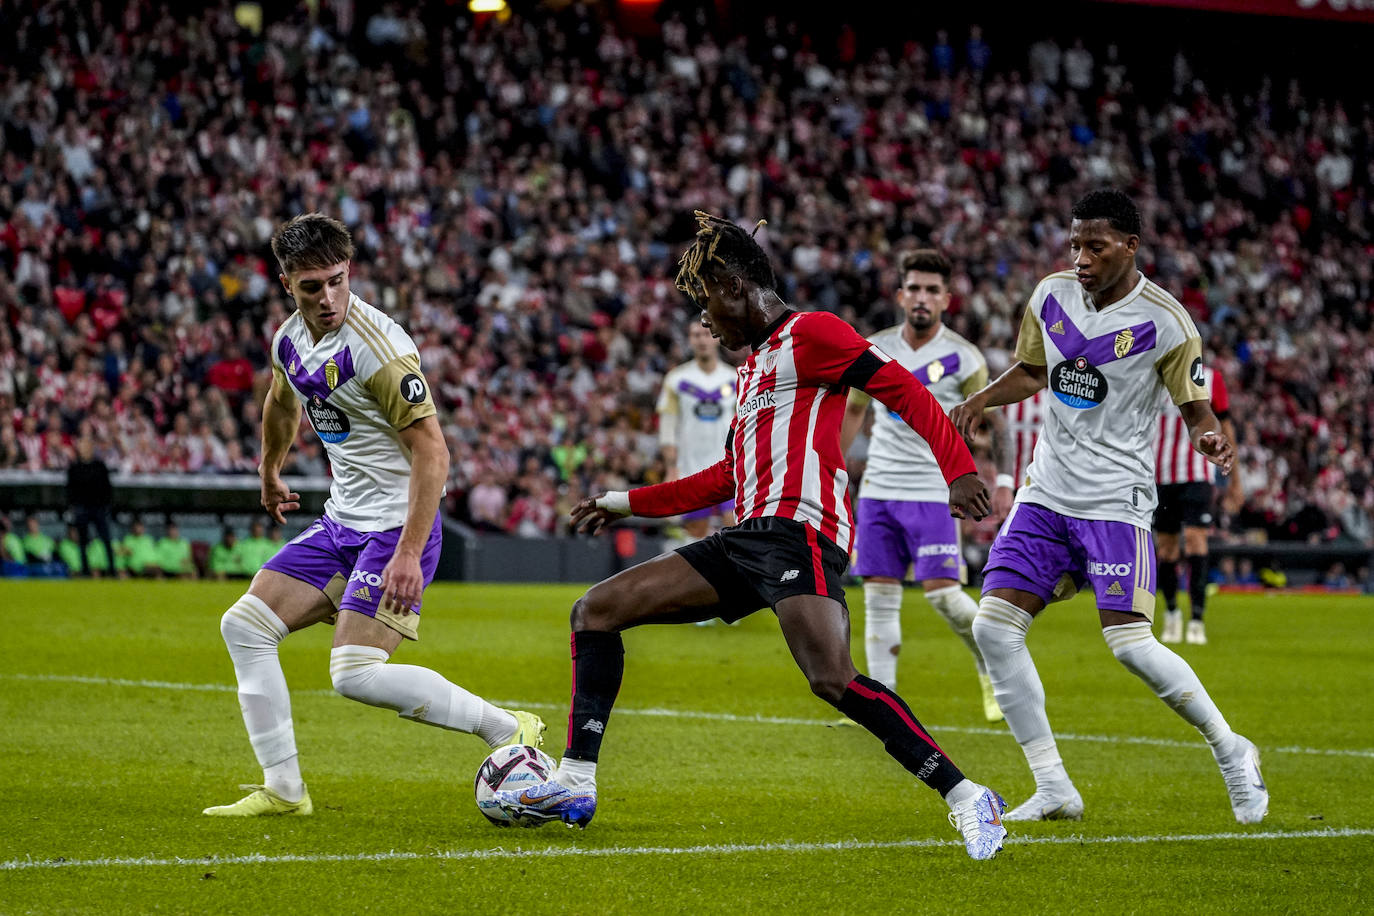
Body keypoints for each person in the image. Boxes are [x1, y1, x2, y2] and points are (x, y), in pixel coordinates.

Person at [495, 211, 1009, 861]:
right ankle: (576, 782)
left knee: (831, 676)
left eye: (706, 299)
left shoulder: (813, 334)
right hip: (744, 539)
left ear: (736, 284)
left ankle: (968, 795)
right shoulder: (754, 368)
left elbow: (902, 389)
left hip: (803, 534)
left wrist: (959, 472)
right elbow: (723, 477)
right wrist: (625, 502)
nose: (704, 320)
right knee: (596, 611)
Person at [204, 213, 544, 818]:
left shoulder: (380, 349)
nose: (328, 297)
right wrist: (269, 469)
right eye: (312, 287)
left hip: (394, 526)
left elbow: (434, 450)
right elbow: (281, 402)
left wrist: (409, 551)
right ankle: (284, 790)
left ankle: (506, 725)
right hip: (342, 522)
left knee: (354, 673)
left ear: (349, 271)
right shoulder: (290, 338)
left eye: (337, 280)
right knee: (244, 627)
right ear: (288, 284)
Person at [950, 189, 1267, 825]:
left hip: (1115, 500)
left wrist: (1208, 436)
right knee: (992, 627)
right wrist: (981, 399)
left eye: (1095, 247)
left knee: (1128, 643)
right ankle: (1054, 787)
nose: (1082, 258)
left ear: (1130, 246)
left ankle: (1232, 751)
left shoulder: (1168, 322)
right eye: (1075, 245)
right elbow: (1035, 371)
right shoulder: (1050, 295)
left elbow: (1196, 406)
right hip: (1046, 491)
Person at [839, 249, 1014, 723]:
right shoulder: (873, 347)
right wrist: (833, 470)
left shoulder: (964, 357)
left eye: (932, 290)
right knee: (878, 596)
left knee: (943, 595)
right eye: (913, 288)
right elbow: (854, 411)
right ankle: (882, 709)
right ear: (900, 295)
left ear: (946, 300)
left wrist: (1004, 480)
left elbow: (998, 424)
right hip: (878, 489)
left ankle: (988, 661)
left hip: (937, 491)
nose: (921, 297)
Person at [1153, 358, 1240, 645]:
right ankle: (1172, 612)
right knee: (1166, 549)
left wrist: (1234, 480)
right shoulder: (1155, 372)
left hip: (1199, 472)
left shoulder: (1212, 378)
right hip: (1160, 473)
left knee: (1195, 540)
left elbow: (1226, 428)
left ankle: (1197, 619)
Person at [655, 320, 738, 544]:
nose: (701, 340)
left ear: (717, 337)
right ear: (689, 340)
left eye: (706, 334)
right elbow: (667, 427)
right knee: (695, 536)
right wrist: (671, 467)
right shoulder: (676, 379)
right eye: (695, 335)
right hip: (690, 470)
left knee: (736, 529)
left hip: (727, 469)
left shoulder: (735, 379)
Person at [65, 437, 116, 577]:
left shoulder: (100, 466)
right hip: (82, 509)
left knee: (106, 539)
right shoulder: (74, 467)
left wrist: (106, 505)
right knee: (83, 541)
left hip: (99, 508)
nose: (84, 449)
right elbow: (70, 490)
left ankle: (112, 569)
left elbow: (107, 488)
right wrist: (74, 506)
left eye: (86, 446)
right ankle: (85, 570)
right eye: (81, 446)